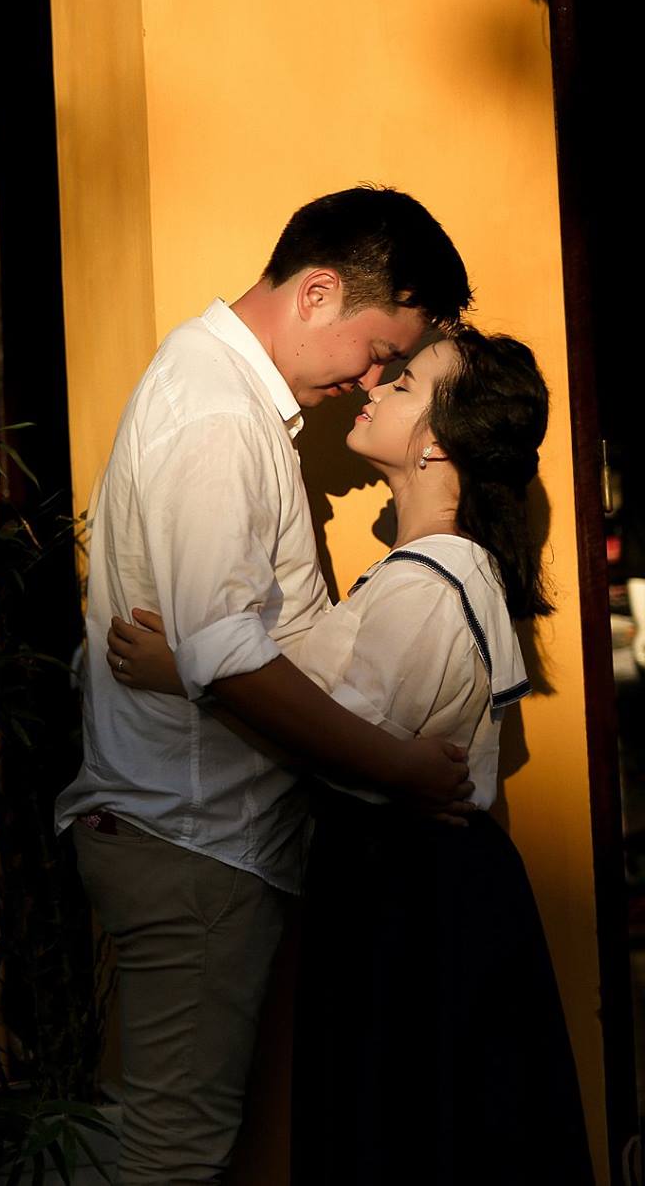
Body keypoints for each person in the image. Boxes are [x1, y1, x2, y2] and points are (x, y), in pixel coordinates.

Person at [52, 186, 477, 1183]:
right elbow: (229, 661)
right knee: (170, 1152)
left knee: (188, 1142)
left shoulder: (223, 399)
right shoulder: (216, 417)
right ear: (317, 292)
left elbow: (223, 649)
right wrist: (403, 770)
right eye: (379, 349)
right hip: (192, 840)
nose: (372, 379)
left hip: (196, 839)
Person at [107, 327, 592, 1183]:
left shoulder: (432, 582)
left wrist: (186, 671)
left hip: (409, 901)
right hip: (412, 893)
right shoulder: (432, 573)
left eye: (404, 386)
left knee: (404, 1132)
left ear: (439, 441)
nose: (375, 389)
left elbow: (328, 739)